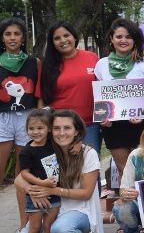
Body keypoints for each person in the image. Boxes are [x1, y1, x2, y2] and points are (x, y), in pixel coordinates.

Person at [6, 110, 102, 233]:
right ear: (50, 130)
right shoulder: (46, 148)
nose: (61, 133)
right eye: (57, 128)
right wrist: (34, 190)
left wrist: (52, 191)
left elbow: (86, 194)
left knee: (60, 229)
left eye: (67, 128)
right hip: (47, 208)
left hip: (77, 211)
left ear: (77, 130)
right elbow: (19, 179)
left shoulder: (87, 153)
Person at [95, 18, 144, 192]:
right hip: (114, 126)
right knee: (124, 171)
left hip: (142, 124)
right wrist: (103, 116)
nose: (123, 40)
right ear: (111, 39)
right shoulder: (101, 64)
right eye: (118, 36)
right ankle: (131, 213)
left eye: (128, 36)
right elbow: (101, 96)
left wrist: (143, 112)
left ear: (134, 40)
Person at [0, 18, 40, 229]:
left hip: (27, 118)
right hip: (2, 118)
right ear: (2, 38)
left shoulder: (33, 62)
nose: (12, 38)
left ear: (23, 37)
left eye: (17, 34)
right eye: (8, 34)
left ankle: (24, 223)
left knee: (22, 173)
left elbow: (39, 93)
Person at [38, 21, 101, 151]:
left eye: (66, 35)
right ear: (52, 43)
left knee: (90, 167)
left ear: (74, 37)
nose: (63, 40)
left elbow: (105, 87)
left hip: (89, 126)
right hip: (59, 128)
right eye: (57, 38)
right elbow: (41, 100)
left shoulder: (92, 57)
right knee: (62, 169)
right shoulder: (48, 66)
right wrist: (45, 126)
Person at [18, 109, 62, 233]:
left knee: (48, 227)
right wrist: (41, 183)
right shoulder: (27, 151)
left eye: (40, 128)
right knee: (35, 228)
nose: (35, 132)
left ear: (49, 129)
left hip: (54, 195)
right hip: (35, 195)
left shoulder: (54, 144)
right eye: (31, 129)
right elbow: (24, 173)